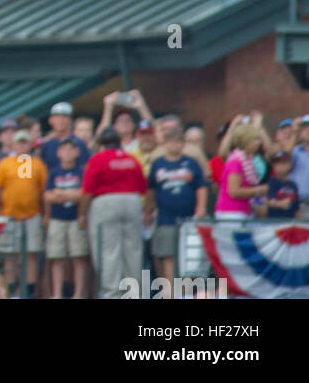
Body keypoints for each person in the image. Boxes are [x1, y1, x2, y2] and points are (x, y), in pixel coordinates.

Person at [79, 125, 147, 300]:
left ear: (102, 144)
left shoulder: (98, 159)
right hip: (131, 201)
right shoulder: (131, 159)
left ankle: (112, 294)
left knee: (108, 250)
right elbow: (142, 187)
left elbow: (87, 190)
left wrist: (81, 214)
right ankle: (133, 294)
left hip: (106, 202)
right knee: (133, 249)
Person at [146, 125, 207, 285]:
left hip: (188, 219)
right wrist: (148, 209)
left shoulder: (191, 163)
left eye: (178, 142)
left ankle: (187, 293)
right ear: (165, 143)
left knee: (190, 258)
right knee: (168, 256)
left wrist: (201, 208)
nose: (175, 145)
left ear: (183, 144)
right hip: (165, 218)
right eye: (171, 142)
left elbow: (201, 186)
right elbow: (151, 189)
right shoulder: (157, 164)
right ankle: (172, 293)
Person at [0, 130, 47, 296]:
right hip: (9, 215)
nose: (22, 145)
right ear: (13, 144)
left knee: (31, 253)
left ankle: (28, 290)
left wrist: (46, 214)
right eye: (19, 142)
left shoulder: (37, 164)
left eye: (25, 142)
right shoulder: (5, 163)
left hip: (32, 214)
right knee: (9, 255)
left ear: (30, 144)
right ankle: (10, 289)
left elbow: (43, 190)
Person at [43, 136, 88, 300]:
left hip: (77, 218)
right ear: (58, 152)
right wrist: (73, 195)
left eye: (71, 149)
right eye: (64, 149)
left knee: (79, 256)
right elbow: (47, 196)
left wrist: (61, 194)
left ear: (77, 152)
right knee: (56, 257)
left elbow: (84, 194)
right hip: (57, 218)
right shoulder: (54, 172)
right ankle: (57, 294)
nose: (68, 153)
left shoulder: (81, 172)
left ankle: (79, 294)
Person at [214, 122, 268, 221]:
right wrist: (261, 190)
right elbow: (234, 192)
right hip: (231, 213)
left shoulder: (247, 160)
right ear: (246, 141)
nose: (259, 142)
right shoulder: (235, 161)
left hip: (243, 212)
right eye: (255, 139)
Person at [40, 103, 89, 169]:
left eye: (65, 117)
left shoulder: (79, 143)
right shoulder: (47, 145)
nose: (61, 120)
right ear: (50, 120)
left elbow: (84, 168)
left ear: (71, 120)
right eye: (57, 116)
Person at [260, 151, 299, 221]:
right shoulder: (270, 182)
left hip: (290, 223)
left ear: (290, 165)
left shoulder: (293, 185)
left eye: (283, 163)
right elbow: (264, 201)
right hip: (273, 222)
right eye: (277, 163)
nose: (280, 166)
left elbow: (296, 209)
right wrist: (279, 204)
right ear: (273, 166)